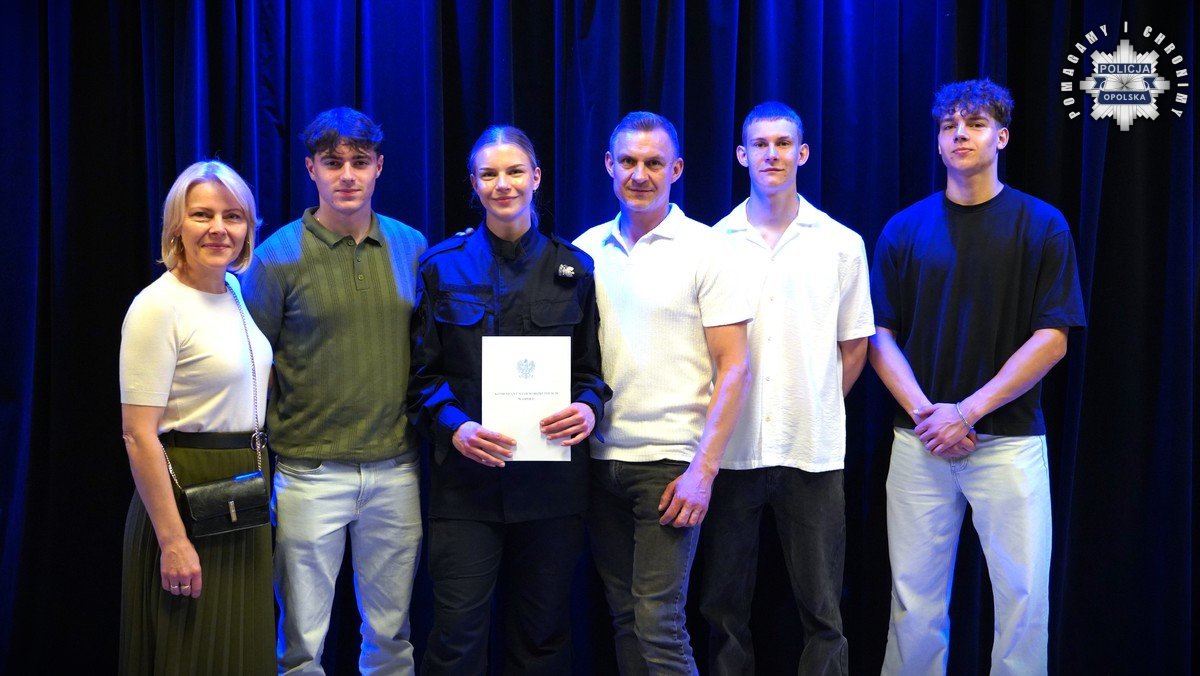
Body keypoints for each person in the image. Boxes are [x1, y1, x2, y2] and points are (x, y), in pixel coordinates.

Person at [869, 79, 1086, 675]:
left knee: (1023, 601)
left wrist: (965, 412)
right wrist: (929, 417)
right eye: (949, 126)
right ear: (939, 142)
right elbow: (878, 335)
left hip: (1010, 442)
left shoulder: (1042, 225)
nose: (960, 134)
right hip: (919, 443)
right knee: (913, 602)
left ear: (1002, 137)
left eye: (975, 124)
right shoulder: (903, 229)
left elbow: (1053, 338)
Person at [408, 125, 610, 674]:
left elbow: (591, 373)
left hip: (550, 491)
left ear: (536, 177)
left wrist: (588, 408)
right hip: (466, 488)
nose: (504, 184)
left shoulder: (573, 268)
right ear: (474, 184)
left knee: (542, 640)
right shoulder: (441, 266)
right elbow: (421, 377)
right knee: (456, 640)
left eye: (515, 171)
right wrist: (455, 427)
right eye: (490, 174)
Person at [241, 107, 427, 674]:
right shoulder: (275, 257)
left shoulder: (412, 246)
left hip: (396, 469)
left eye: (359, 161)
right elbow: (253, 364)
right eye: (332, 162)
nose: (347, 174)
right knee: (301, 644)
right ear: (311, 169)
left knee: (392, 637)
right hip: (308, 473)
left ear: (379, 168)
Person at [574, 111, 752, 674]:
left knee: (659, 623)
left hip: (671, 466)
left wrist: (703, 470)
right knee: (625, 618)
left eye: (654, 163)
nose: (640, 174)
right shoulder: (584, 250)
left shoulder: (709, 249)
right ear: (609, 165)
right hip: (598, 463)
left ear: (676, 169)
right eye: (628, 161)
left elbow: (735, 367)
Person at [702, 101, 874, 675]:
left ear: (802, 153)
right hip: (730, 451)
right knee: (722, 606)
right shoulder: (712, 244)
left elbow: (855, 346)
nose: (771, 154)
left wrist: (814, 404)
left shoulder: (841, 243)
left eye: (782, 144)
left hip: (812, 451)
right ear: (741, 155)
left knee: (823, 609)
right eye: (760, 144)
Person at [119, 160, 273, 673]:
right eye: (202, 215)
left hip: (242, 498)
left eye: (233, 216)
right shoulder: (157, 306)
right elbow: (138, 435)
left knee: (240, 653)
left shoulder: (234, 293)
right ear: (176, 225)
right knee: (191, 654)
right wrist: (173, 541)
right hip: (186, 498)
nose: (218, 228)